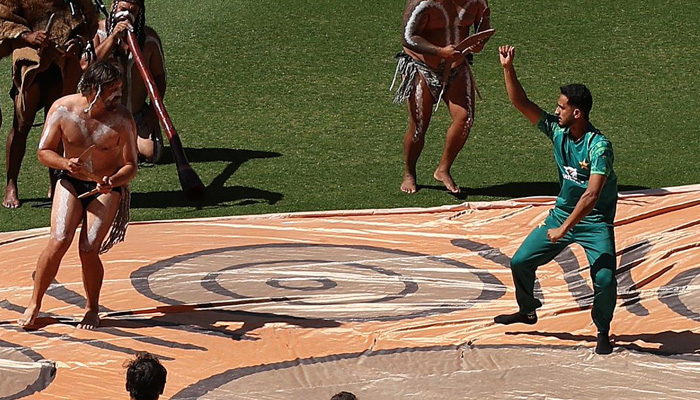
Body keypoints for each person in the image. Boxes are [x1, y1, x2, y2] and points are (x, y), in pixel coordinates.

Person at [493, 45, 618, 355]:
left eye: (561, 107)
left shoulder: (599, 147)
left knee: (604, 278)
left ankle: (603, 329)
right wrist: (508, 68)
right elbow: (520, 102)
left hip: (594, 222)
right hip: (562, 212)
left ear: (577, 112)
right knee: (520, 262)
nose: (556, 110)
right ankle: (527, 310)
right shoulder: (557, 131)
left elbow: (591, 195)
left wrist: (564, 230)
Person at [17, 61, 138, 330]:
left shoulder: (122, 119)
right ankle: (34, 303)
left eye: (120, 88)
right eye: (112, 89)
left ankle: (92, 308)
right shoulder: (62, 109)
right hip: (71, 180)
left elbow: (131, 165)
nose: (118, 95)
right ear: (93, 89)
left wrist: (113, 180)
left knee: (88, 248)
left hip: (105, 187)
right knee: (58, 240)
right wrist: (65, 164)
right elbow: (43, 152)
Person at [0, 0, 99, 208]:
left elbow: (88, 19)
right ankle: (11, 184)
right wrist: (26, 35)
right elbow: (3, 17)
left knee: (56, 124)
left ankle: (56, 181)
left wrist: (78, 41)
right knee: (21, 124)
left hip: (62, 59)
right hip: (30, 55)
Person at [392, 0, 491, 194]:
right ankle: (409, 172)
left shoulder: (478, 1)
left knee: (465, 119)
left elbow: (484, 26)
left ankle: (443, 169)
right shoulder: (423, 2)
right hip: (421, 67)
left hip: (457, 66)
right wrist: (439, 51)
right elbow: (407, 37)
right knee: (419, 126)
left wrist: (480, 42)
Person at [82, 0, 166, 164]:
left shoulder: (149, 39)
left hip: (136, 113)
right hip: (103, 114)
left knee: (151, 153)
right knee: (98, 153)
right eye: (123, 9)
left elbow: (160, 77)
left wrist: (152, 114)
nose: (126, 15)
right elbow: (86, 66)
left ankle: (126, 141)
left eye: (132, 11)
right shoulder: (96, 33)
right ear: (113, 6)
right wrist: (113, 37)